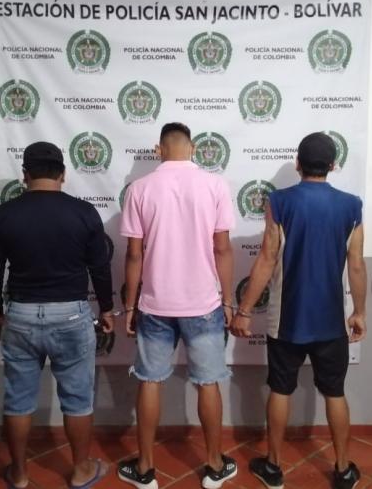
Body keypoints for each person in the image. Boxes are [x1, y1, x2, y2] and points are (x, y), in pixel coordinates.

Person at [231, 132, 366, 489]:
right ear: (333, 165)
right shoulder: (352, 205)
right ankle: (343, 469)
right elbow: (356, 265)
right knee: (335, 392)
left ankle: (273, 468)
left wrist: (244, 309)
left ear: (297, 164)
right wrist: (359, 312)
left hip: (287, 321)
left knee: (280, 389)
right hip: (332, 322)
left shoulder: (280, 201)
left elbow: (267, 257)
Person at [0, 141, 114, 489]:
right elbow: (100, 268)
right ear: (63, 175)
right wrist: (107, 308)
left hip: (20, 316)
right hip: (71, 316)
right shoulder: (84, 213)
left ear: (25, 174)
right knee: (78, 400)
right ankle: (81, 470)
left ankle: (19, 474)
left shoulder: (4, 214)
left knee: (18, 400)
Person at [117, 122, 237, 489]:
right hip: (203, 304)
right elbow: (222, 249)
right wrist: (228, 300)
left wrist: (130, 306)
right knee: (208, 383)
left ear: (159, 150)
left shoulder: (139, 188)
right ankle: (214, 465)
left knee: (149, 381)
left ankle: (145, 469)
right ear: (193, 147)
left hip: (155, 304)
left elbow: (134, 255)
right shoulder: (215, 185)